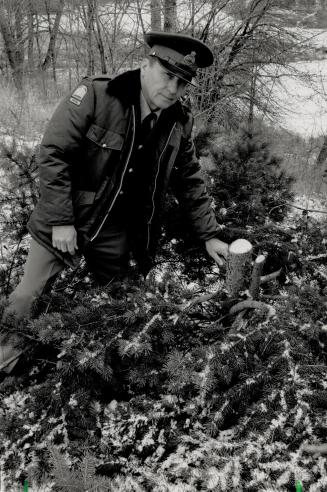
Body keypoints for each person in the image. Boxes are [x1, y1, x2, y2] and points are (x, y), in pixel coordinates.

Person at [0, 31, 229, 374]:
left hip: (117, 232)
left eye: (182, 83)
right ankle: (6, 365)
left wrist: (210, 233)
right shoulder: (97, 94)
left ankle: (105, 372)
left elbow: (190, 179)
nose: (173, 89)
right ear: (145, 65)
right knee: (26, 296)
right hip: (68, 219)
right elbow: (53, 154)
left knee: (120, 305)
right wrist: (62, 220)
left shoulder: (177, 122)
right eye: (168, 76)